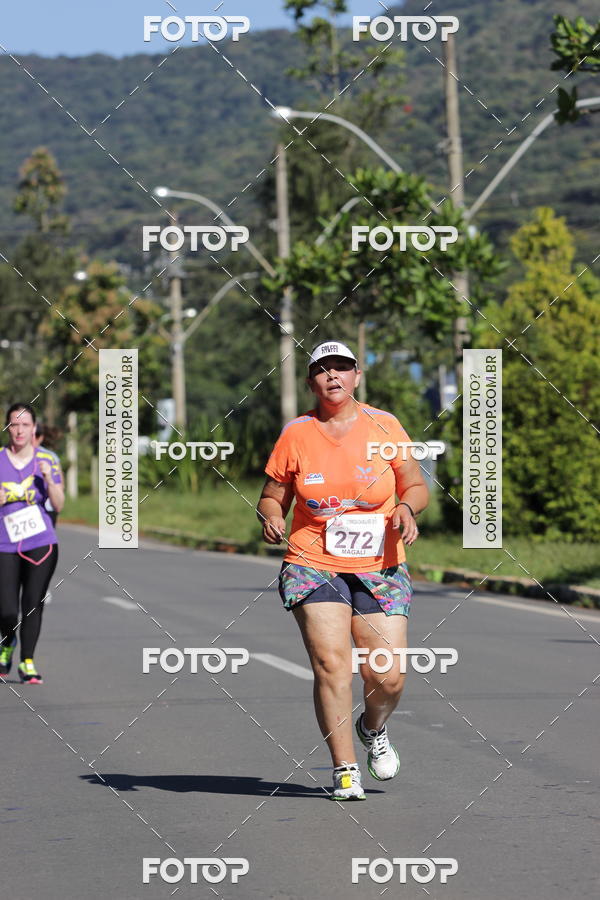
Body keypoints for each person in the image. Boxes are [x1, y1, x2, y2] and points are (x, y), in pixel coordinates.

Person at [257, 340, 429, 800]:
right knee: (333, 665)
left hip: (380, 563)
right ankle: (345, 768)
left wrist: (408, 509)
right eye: (323, 369)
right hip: (313, 561)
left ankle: (372, 730)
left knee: (387, 674)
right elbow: (273, 493)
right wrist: (271, 513)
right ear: (310, 381)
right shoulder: (296, 434)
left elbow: (414, 483)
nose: (333, 375)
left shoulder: (384, 425)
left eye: (343, 368)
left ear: (356, 376)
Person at [0, 403, 63, 684]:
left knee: (33, 604)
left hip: (41, 541)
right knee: (6, 609)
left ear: (34, 428)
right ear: (7, 428)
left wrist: (49, 479)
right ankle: (7, 641)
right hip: (4, 542)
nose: (20, 430)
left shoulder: (46, 459)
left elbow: (59, 503)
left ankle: (28, 661)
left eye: (26, 425)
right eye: (15, 424)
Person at [33, 422, 64, 528]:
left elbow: (60, 484)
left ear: (41, 438)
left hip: (47, 508)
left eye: (36, 436)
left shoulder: (50, 457)